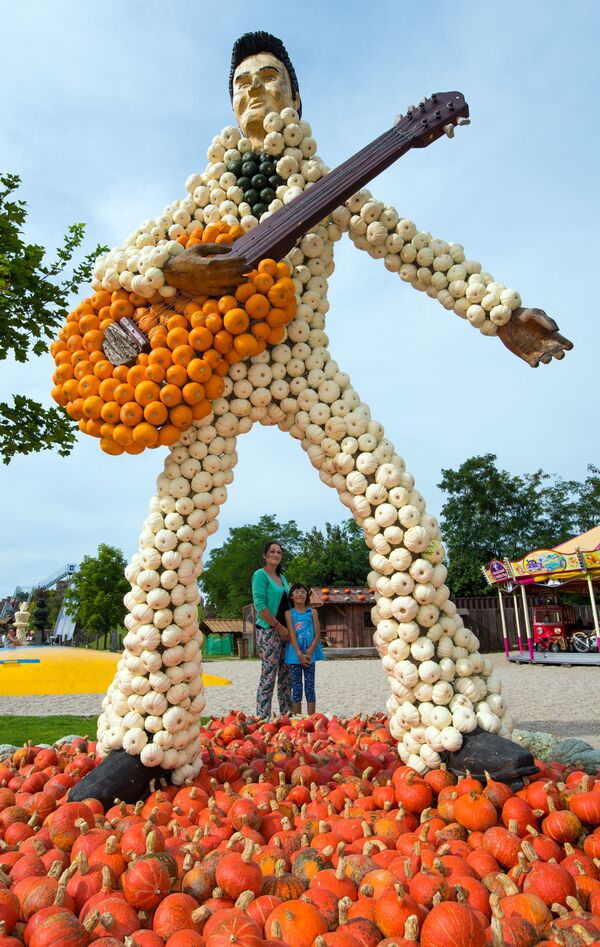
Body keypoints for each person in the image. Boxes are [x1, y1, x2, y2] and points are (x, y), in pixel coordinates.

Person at [251, 541, 293, 717]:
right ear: (265, 555)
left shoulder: (282, 578)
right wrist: (278, 626)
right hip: (269, 630)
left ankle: (286, 715)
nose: (276, 554)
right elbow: (259, 604)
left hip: (286, 631)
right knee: (269, 675)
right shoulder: (260, 575)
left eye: (279, 552)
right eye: (272, 551)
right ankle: (262, 716)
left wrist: (289, 628)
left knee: (286, 676)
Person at [284, 583, 324, 715]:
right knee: (296, 688)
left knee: (310, 687)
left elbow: (317, 633)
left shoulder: (313, 612)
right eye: (296, 592)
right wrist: (299, 654)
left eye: (302, 592)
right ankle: (298, 718)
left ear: (307, 595)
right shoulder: (289, 614)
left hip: (309, 655)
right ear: (291, 596)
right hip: (295, 655)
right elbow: (292, 635)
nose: (300, 594)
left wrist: (310, 651)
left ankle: (311, 718)